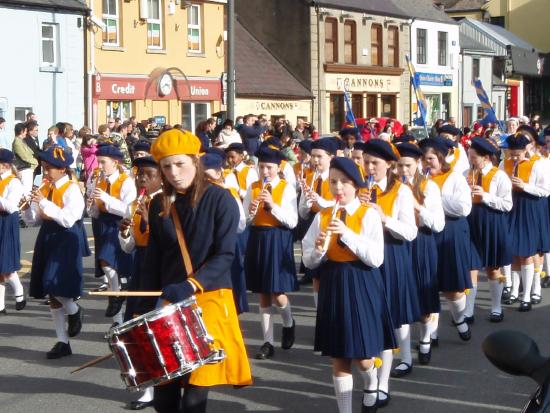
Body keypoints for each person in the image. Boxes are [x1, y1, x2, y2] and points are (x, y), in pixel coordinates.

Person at [137, 128, 252, 413]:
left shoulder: (221, 199)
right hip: (169, 301)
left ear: (195, 161)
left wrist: (191, 284)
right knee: (164, 397)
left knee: (194, 399)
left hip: (208, 298)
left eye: (180, 164)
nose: (174, 172)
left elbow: (226, 255)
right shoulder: (158, 203)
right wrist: (137, 310)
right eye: (166, 166)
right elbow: (152, 260)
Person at [302, 156, 395, 413]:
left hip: (362, 281)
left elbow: (376, 258)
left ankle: (372, 382)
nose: (338, 188)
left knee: (363, 357)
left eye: (344, 182)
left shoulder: (368, 215)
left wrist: (346, 233)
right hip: (333, 282)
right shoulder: (322, 216)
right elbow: (309, 261)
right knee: (339, 355)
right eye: (333, 182)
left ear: (356, 185)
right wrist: (319, 250)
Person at [361, 139, 419, 406]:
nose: (370, 167)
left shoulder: (402, 191)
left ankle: (383, 384)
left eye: (375, 163)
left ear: (389, 165)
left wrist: (384, 219)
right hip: (365, 257)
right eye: (366, 161)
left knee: (388, 319)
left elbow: (410, 231)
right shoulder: (360, 188)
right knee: (368, 319)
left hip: (392, 256)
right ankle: (371, 377)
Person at [23, 145, 89, 358]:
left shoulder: (71, 189)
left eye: (49, 168)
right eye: (44, 167)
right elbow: (35, 219)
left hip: (66, 238)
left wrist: (43, 202)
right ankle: (62, 341)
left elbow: (69, 219)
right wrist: (28, 208)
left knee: (55, 283)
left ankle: (75, 310)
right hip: (48, 236)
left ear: (62, 169)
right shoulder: (45, 187)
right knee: (50, 291)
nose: (46, 172)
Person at [244, 145, 298, 359]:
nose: (265, 172)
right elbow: (244, 220)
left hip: (277, 238)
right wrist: (250, 212)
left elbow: (292, 221)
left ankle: (289, 321)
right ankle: (267, 342)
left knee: (277, 291)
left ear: (278, 167)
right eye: (262, 167)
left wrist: (272, 206)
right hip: (258, 237)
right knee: (262, 293)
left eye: (269, 168)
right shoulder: (253, 187)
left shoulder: (287, 188)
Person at [394, 140, 444, 365]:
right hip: (400, 244)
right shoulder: (391, 186)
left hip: (422, 243)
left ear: (418, 163)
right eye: (399, 165)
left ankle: (425, 340)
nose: (403, 170)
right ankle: (404, 357)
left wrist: (417, 207)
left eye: (408, 165)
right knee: (401, 300)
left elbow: (438, 224)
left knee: (424, 298)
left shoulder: (428, 186)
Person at [419, 137, 474, 343]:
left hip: (452, 231)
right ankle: (431, 333)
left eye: (430, 158)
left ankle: (460, 319)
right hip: (427, 231)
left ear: (441, 159)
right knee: (429, 283)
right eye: (423, 159)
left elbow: (463, 208)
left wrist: (435, 197)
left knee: (453, 285)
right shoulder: (419, 179)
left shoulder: (455, 178)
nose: (426, 163)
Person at [118, 155, 162, 411]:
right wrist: (125, 231)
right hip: (141, 266)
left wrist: (149, 222)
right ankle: (147, 388)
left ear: (160, 178)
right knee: (136, 325)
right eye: (139, 174)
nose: (142, 178)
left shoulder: (169, 202)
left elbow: (170, 242)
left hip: (161, 267)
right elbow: (128, 247)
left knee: (155, 327)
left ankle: (161, 386)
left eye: (149, 174)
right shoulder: (133, 203)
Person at [87, 143, 136, 327]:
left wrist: (106, 199)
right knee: (108, 267)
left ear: (115, 162)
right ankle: (118, 318)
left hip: (118, 225)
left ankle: (116, 296)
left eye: (103, 162)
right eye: (98, 162)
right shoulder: (97, 178)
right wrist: (91, 204)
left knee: (107, 263)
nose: (99, 166)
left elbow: (128, 210)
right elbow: (93, 211)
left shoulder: (126, 181)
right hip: (102, 225)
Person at [501, 132, 550, 312]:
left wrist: (524, 185)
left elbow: (545, 191)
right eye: (511, 153)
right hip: (511, 206)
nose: (514, 157)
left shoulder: (536, 165)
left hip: (529, 207)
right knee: (513, 251)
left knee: (527, 252)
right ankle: (514, 290)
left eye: (517, 154)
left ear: (525, 151)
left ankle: (527, 294)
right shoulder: (503, 163)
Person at [466, 137, 513, 322]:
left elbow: (507, 204)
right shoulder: (465, 174)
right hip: (471, 222)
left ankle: (496, 306)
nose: (471, 160)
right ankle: (468, 310)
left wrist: (485, 196)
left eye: (474, 157)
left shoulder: (499, 176)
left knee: (493, 268)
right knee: (471, 267)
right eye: (469, 156)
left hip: (492, 222)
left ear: (485, 158)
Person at [201, 149, 248, 314]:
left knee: (228, 288)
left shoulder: (229, 194)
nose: (206, 181)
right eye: (202, 177)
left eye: (208, 176)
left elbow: (241, 225)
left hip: (225, 245)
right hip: (204, 249)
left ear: (219, 173)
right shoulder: (197, 195)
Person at [298, 138, 338, 292]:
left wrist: (319, 200)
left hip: (330, 224)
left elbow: (338, 204)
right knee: (316, 277)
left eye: (319, 156)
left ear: (330, 157)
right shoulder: (309, 177)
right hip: (312, 223)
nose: (315, 160)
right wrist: (307, 203)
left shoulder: (336, 178)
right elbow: (302, 213)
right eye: (313, 156)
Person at [0, 149, 25, 314]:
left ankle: (19, 292)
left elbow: (10, 207)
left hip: (6, 222)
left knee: (6, 266)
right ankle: (0, 306)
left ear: (4, 165)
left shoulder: (14, 182)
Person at [12, 123, 36, 195]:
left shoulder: (21, 140)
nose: (26, 133)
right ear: (21, 131)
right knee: (26, 191)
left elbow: (30, 152)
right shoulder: (17, 142)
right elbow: (24, 156)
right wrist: (35, 162)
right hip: (24, 169)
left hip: (27, 168)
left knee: (28, 190)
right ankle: (26, 206)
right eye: (25, 131)